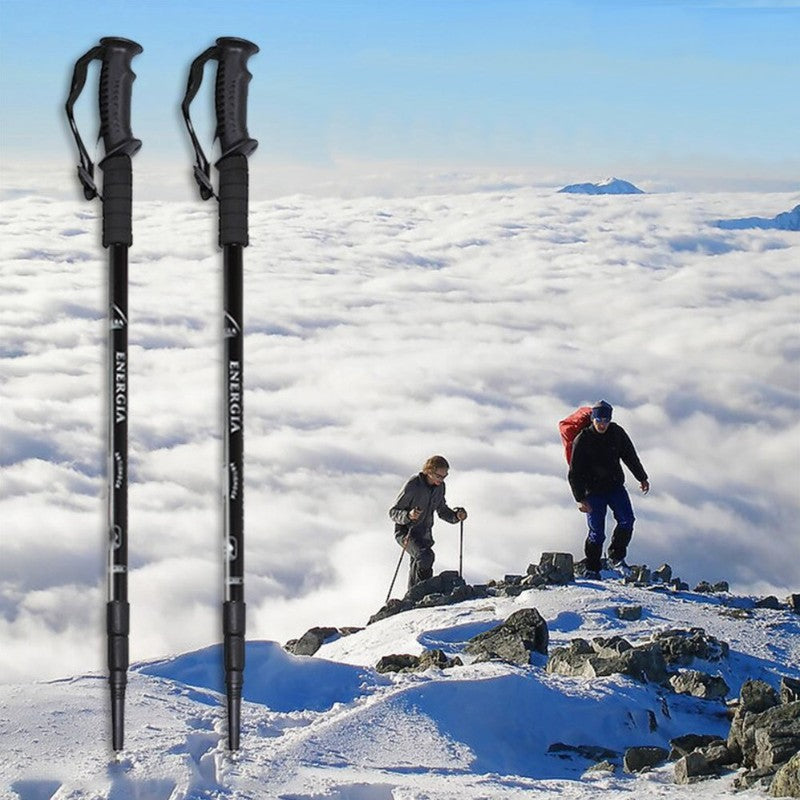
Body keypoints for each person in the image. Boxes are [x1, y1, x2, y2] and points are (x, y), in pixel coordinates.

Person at [568, 400, 649, 579]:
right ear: (592, 419)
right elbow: (575, 472)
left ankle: (616, 557)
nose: (602, 424)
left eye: (606, 420)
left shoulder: (617, 433)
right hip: (592, 492)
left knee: (627, 520)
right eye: (599, 420)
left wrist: (642, 477)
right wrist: (580, 498)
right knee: (597, 532)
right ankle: (592, 568)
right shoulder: (583, 439)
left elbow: (630, 456)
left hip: (615, 487)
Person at [389, 455, 468, 589]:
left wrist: (456, 516)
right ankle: (424, 592)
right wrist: (409, 515)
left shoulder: (440, 487)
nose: (441, 480)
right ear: (429, 472)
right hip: (406, 533)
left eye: (444, 476)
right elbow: (393, 512)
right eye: (439, 476)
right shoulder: (413, 485)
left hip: (424, 534)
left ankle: (413, 596)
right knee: (425, 556)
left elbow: (442, 510)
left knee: (419, 561)